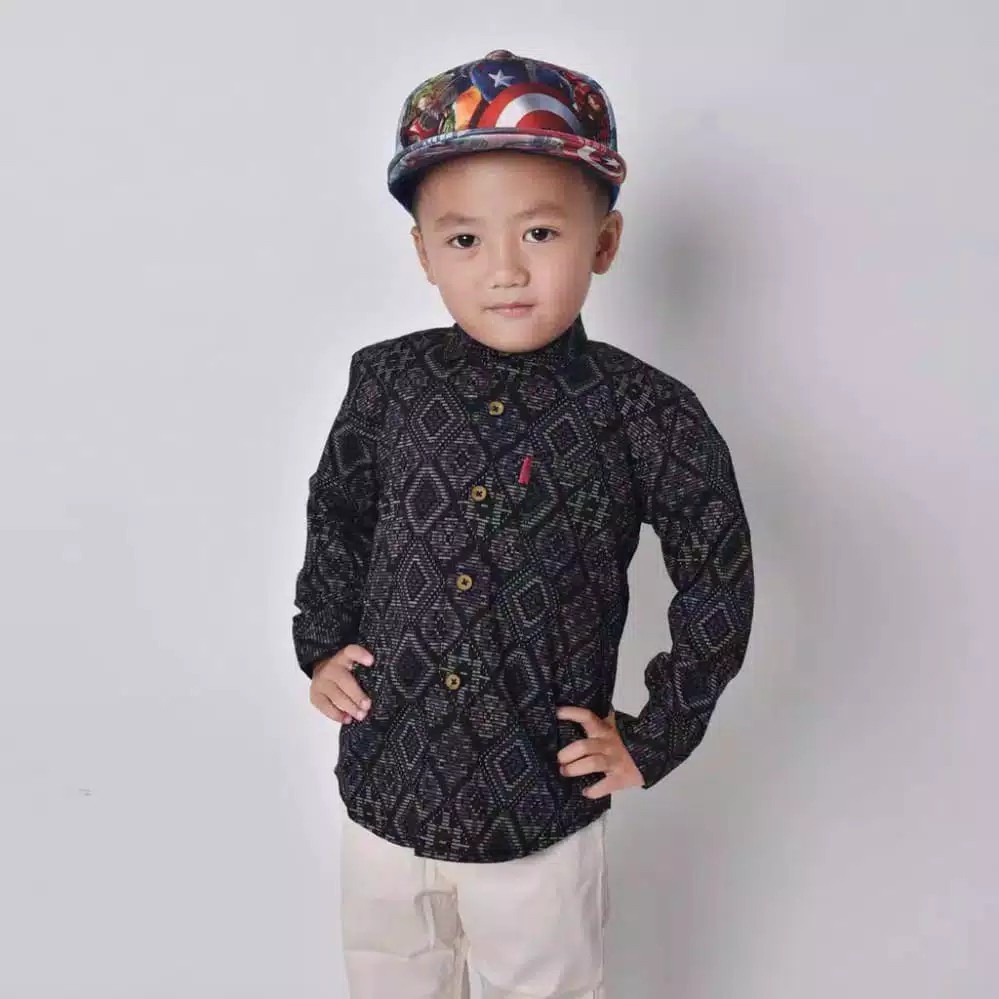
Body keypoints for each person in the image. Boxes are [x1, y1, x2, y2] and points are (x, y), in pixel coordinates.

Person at [292, 47, 755, 999]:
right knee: (387, 977)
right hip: (387, 777)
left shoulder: (644, 411)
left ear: (604, 241)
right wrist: (321, 643)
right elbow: (339, 513)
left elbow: (717, 570)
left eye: (540, 231)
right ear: (424, 253)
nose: (504, 269)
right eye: (464, 239)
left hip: (536, 800)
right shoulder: (386, 383)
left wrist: (656, 732)